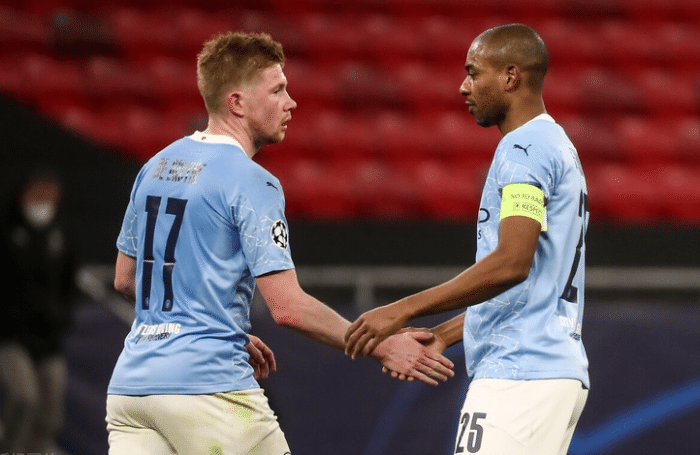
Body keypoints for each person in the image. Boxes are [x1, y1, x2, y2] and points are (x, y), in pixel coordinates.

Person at [106, 31, 454, 455]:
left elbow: (126, 279)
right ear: (237, 103)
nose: (291, 103)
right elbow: (289, 308)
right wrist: (379, 345)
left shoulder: (154, 167)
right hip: (208, 391)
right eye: (277, 90)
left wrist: (214, 325)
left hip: (132, 391)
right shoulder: (251, 180)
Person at [345, 24, 589, 455]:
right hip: (550, 370)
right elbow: (536, 280)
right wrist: (446, 333)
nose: (463, 86)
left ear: (510, 77)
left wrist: (401, 309)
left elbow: (512, 263)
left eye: (474, 72)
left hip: (520, 376)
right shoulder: (555, 143)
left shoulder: (524, 149)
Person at [0, 168, 77, 454]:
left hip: (48, 341)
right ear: (23, 195)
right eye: (38, 196)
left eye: (50, 198)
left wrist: (60, 319)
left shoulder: (62, 236)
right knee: (24, 397)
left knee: (51, 412)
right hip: (10, 338)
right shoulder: (6, 232)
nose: (43, 204)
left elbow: (68, 284)